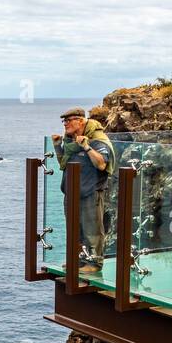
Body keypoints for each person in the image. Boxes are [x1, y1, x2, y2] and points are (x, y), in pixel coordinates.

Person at [52, 107, 114, 271]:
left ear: (80, 120)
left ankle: (94, 263)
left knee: (92, 229)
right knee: (75, 228)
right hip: (72, 192)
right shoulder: (72, 141)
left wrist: (86, 146)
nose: (65, 124)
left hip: (91, 191)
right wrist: (58, 146)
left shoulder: (97, 140)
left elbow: (101, 164)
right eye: (63, 121)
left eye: (68, 120)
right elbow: (64, 165)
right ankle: (79, 259)